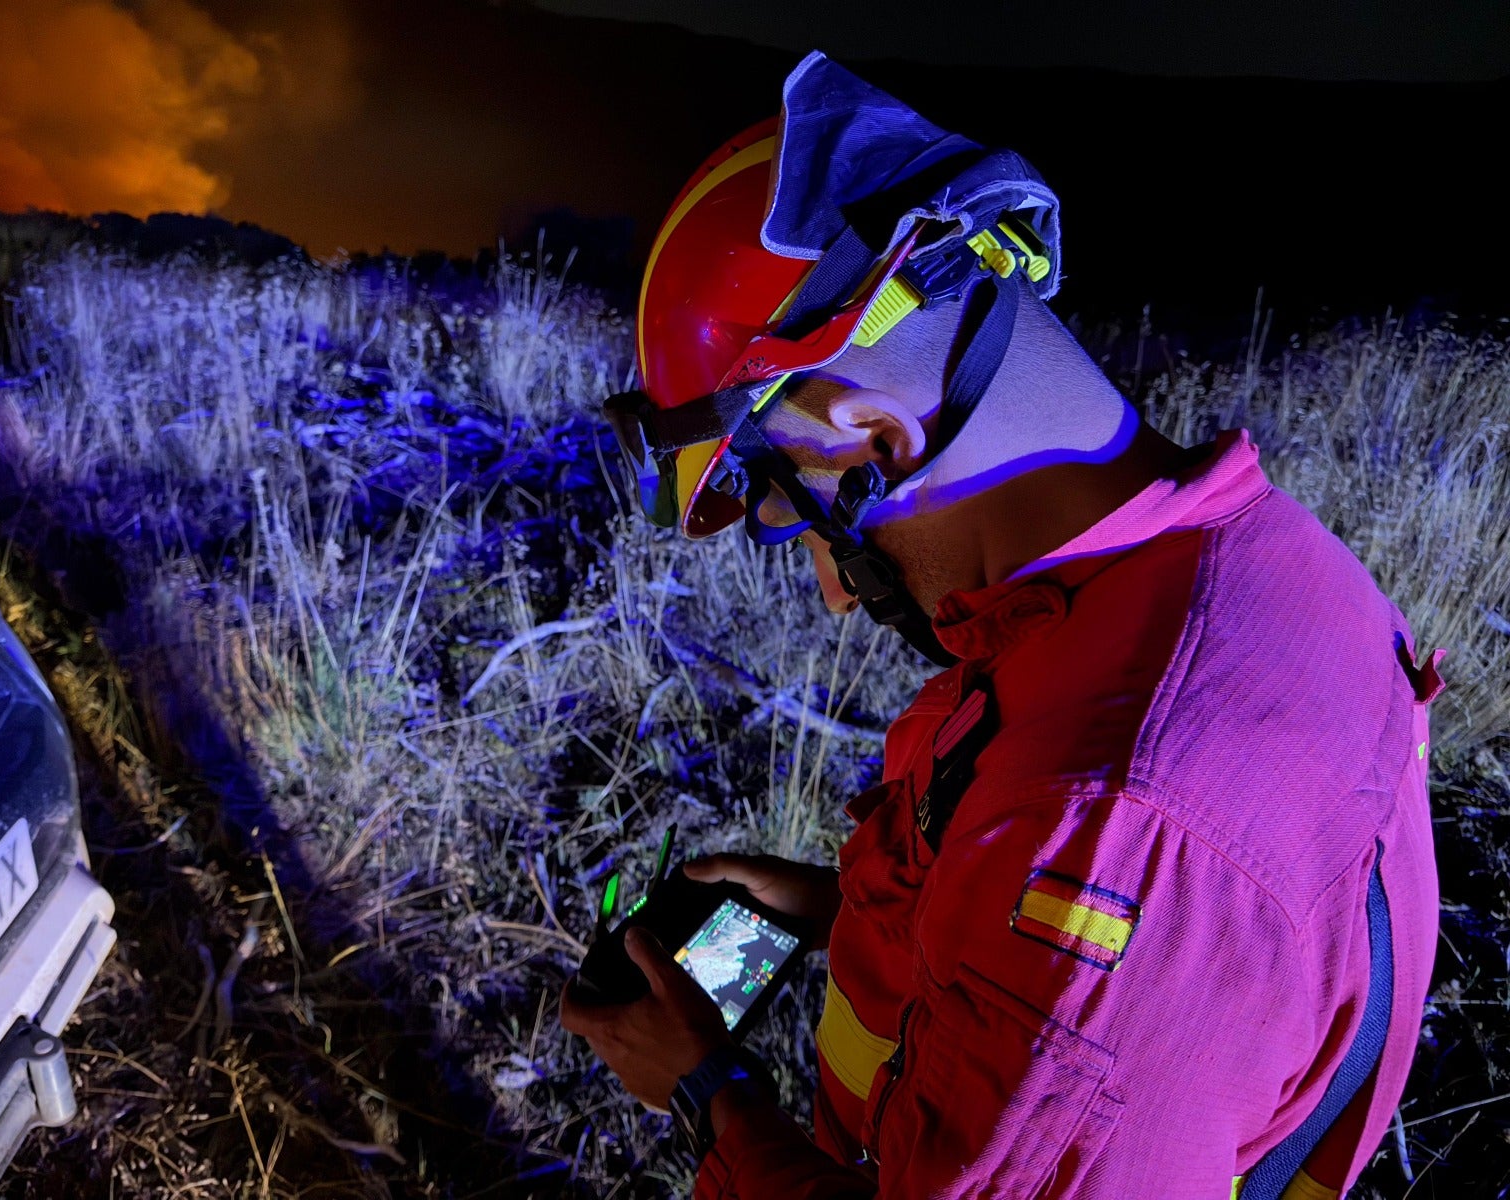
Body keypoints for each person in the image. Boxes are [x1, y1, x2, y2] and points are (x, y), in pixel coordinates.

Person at [561, 52, 1441, 1199]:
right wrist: (854, 909)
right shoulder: (1251, 565)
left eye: (796, 518)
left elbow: (1128, 928)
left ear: (874, 438)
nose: (834, 592)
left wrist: (705, 1093)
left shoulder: (1120, 829)